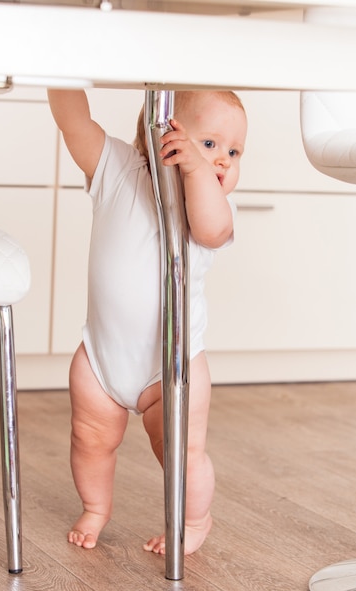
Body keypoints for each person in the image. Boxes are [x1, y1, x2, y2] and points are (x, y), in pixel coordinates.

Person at [47, 88, 247, 556]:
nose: (222, 161)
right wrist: (59, 69)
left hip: (173, 366)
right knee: (89, 439)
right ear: (158, 130)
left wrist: (197, 168)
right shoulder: (117, 169)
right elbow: (73, 121)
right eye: (211, 143)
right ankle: (95, 507)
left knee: (179, 451)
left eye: (234, 152)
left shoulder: (210, 206)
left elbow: (213, 231)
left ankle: (194, 520)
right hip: (102, 358)